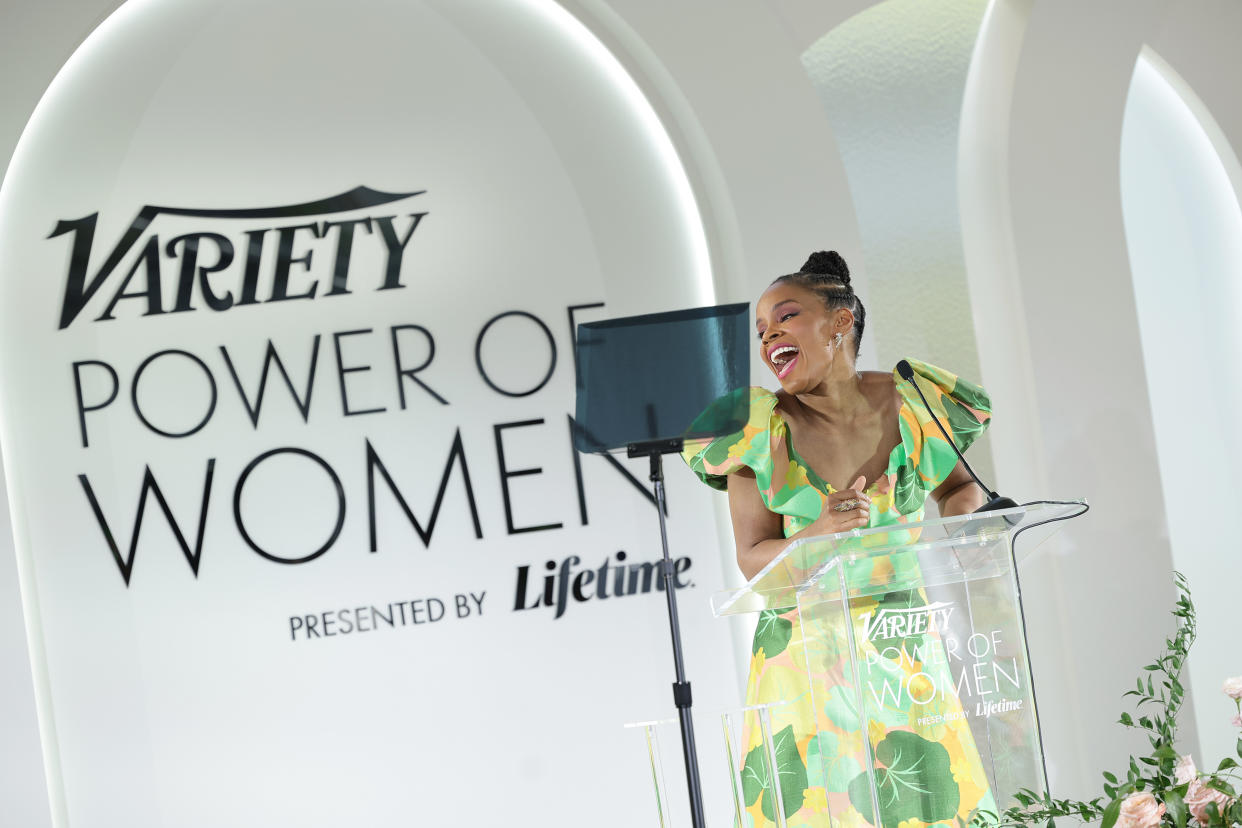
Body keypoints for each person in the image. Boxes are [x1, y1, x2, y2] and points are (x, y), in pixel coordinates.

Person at [682, 251, 996, 828]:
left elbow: (959, 488)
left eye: (786, 316)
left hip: (902, 644)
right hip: (805, 656)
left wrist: (963, 529)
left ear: (839, 324)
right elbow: (752, 561)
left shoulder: (913, 403)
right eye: (760, 329)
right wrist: (820, 532)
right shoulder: (754, 428)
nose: (768, 334)